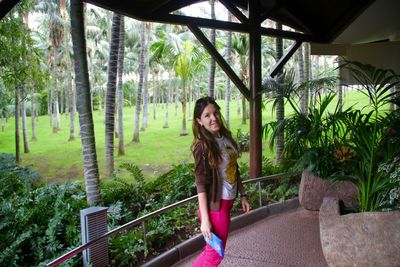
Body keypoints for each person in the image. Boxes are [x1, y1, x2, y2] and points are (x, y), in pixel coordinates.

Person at [191, 96, 250, 267]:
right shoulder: (202, 146)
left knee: (212, 252)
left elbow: (234, 168)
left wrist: (243, 195)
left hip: (226, 205)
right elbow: (201, 185)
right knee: (215, 255)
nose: (213, 118)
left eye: (215, 113)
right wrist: (205, 220)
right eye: (207, 115)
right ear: (199, 121)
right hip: (214, 209)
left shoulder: (225, 137)